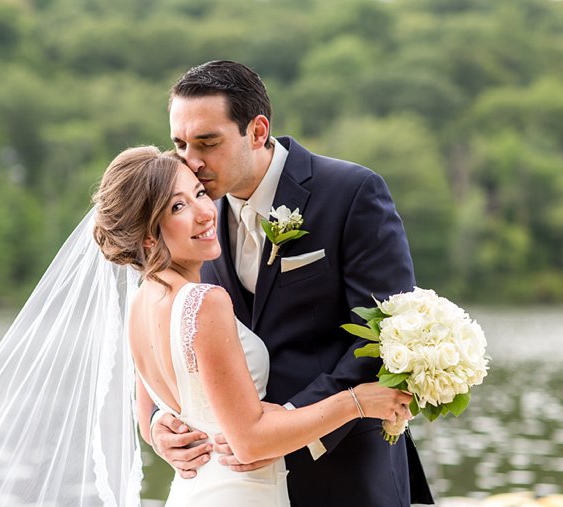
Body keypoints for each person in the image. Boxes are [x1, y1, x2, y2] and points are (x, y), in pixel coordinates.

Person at [150, 60, 434, 506]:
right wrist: (159, 421)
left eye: (208, 142)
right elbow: (165, 335)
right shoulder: (193, 221)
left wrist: (284, 422)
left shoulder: (351, 192)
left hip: (345, 474)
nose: (192, 161)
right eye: (181, 144)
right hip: (236, 481)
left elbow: (387, 336)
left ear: (258, 131)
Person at [93, 146, 414, 506]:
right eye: (177, 207)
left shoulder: (140, 300)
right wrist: (356, 401)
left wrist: (154, 426)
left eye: (199, 194)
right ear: (148, 236)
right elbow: (249, 442)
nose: (204, 212)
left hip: (195, 489)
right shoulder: (205, 302)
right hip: (240, 491)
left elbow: (147, 407)